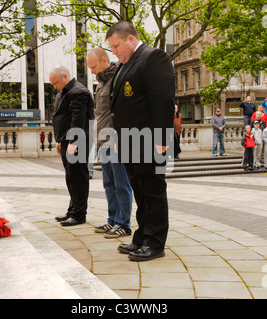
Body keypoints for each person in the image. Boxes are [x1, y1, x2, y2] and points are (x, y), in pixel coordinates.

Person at [106, 21, 175, 262]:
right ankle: (143, 237)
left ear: (131, 39)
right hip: (130, 142)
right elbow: (123, 107)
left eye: (116, 46)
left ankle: (155, 243)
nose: (113, 51)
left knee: (153, 191)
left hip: (148, 140)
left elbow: (163, 100)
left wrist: (162, 137)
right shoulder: (126, 64)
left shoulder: (153, 57)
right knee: (141, 192)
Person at [87, 47, 133, 238]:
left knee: (122, 184)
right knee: (109, 184)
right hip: (103, 141)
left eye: (93, 66)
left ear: (104, 61)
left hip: (115, 142)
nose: (91, 71)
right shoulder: (102, 82)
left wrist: (120, 138)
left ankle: (124, 223)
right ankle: (113, 220)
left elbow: (124, 111)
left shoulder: (118, 80)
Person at [51, 66, 94, 226]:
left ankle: (79, 214)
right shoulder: (63, 92)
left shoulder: (78, 92)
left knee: (78, 178)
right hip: (66, 142)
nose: (54, 86)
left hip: (77, 143)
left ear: (65, 76)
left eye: (55, 82)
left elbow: (78, 119)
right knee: (70, 177)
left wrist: (73, 143)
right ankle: (72, 210)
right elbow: (61, 117)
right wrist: (60, 140)